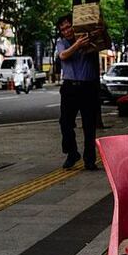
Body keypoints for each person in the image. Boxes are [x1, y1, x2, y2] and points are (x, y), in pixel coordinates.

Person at [55, 14, 100, 170]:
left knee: (89, 124)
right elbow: (63, 55)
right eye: (63, 29)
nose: (67, 31)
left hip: (88, 87)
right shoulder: (61, 43)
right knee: (65, 122)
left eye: (69, 27)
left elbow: (101, 44)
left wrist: (92, 37)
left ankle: (90, 160)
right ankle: (72, 153)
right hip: (69, 87)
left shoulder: (87, 39)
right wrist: (77, 45)